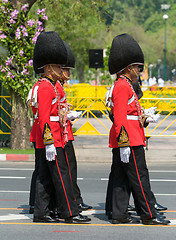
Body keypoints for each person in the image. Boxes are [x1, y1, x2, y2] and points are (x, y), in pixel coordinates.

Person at [107, 33, 169, 225]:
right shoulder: (122, 86)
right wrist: (124, 142)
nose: (138, 71)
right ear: (127, 68)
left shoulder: (125, 85)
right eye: (136, 67)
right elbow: (119, 117)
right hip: (129, 139)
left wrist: (145, 117)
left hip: (130, 136)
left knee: (121, 179)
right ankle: (148, 214)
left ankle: (119, 214)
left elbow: (130, 114)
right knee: (139, 178)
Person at [32, 31, 90, 223]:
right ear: (48, 67)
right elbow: (45, 118)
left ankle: (41, 212)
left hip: (57, 136)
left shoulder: (49, 84)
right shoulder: (46, 87)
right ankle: (70, 212)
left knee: (45, 178)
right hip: (54, 139)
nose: (61, 68)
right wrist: (49, 142)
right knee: (61, 176)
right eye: (57, 66)